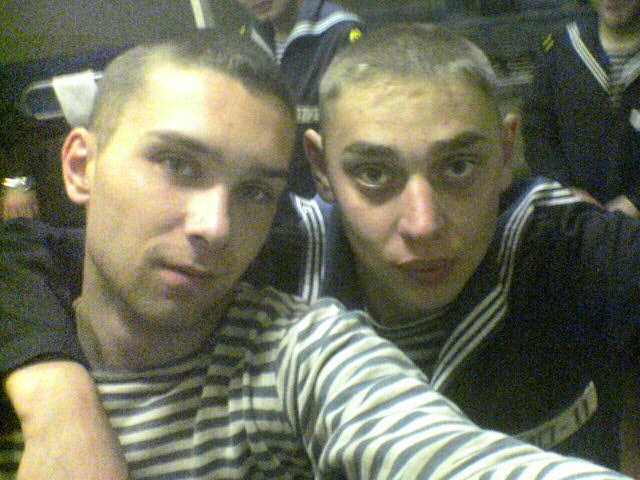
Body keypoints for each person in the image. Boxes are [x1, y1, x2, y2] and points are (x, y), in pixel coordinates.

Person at [3, 26, 635, 480]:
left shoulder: (571, 244)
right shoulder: (286, 243)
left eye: (459, 167)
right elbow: (27, 248)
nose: (215, 228)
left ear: (505, 153)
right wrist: (57, 399)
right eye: (177, 164)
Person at [522, 0, 640, 218]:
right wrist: (566, 190)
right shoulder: (560, 49)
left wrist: (636, 201)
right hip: (573, 215)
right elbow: (537, 131)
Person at [236, 0, 364, 197]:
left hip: (327, 191)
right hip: (271, 186)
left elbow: (361, 131)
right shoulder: (247, 37)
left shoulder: (341, 33)